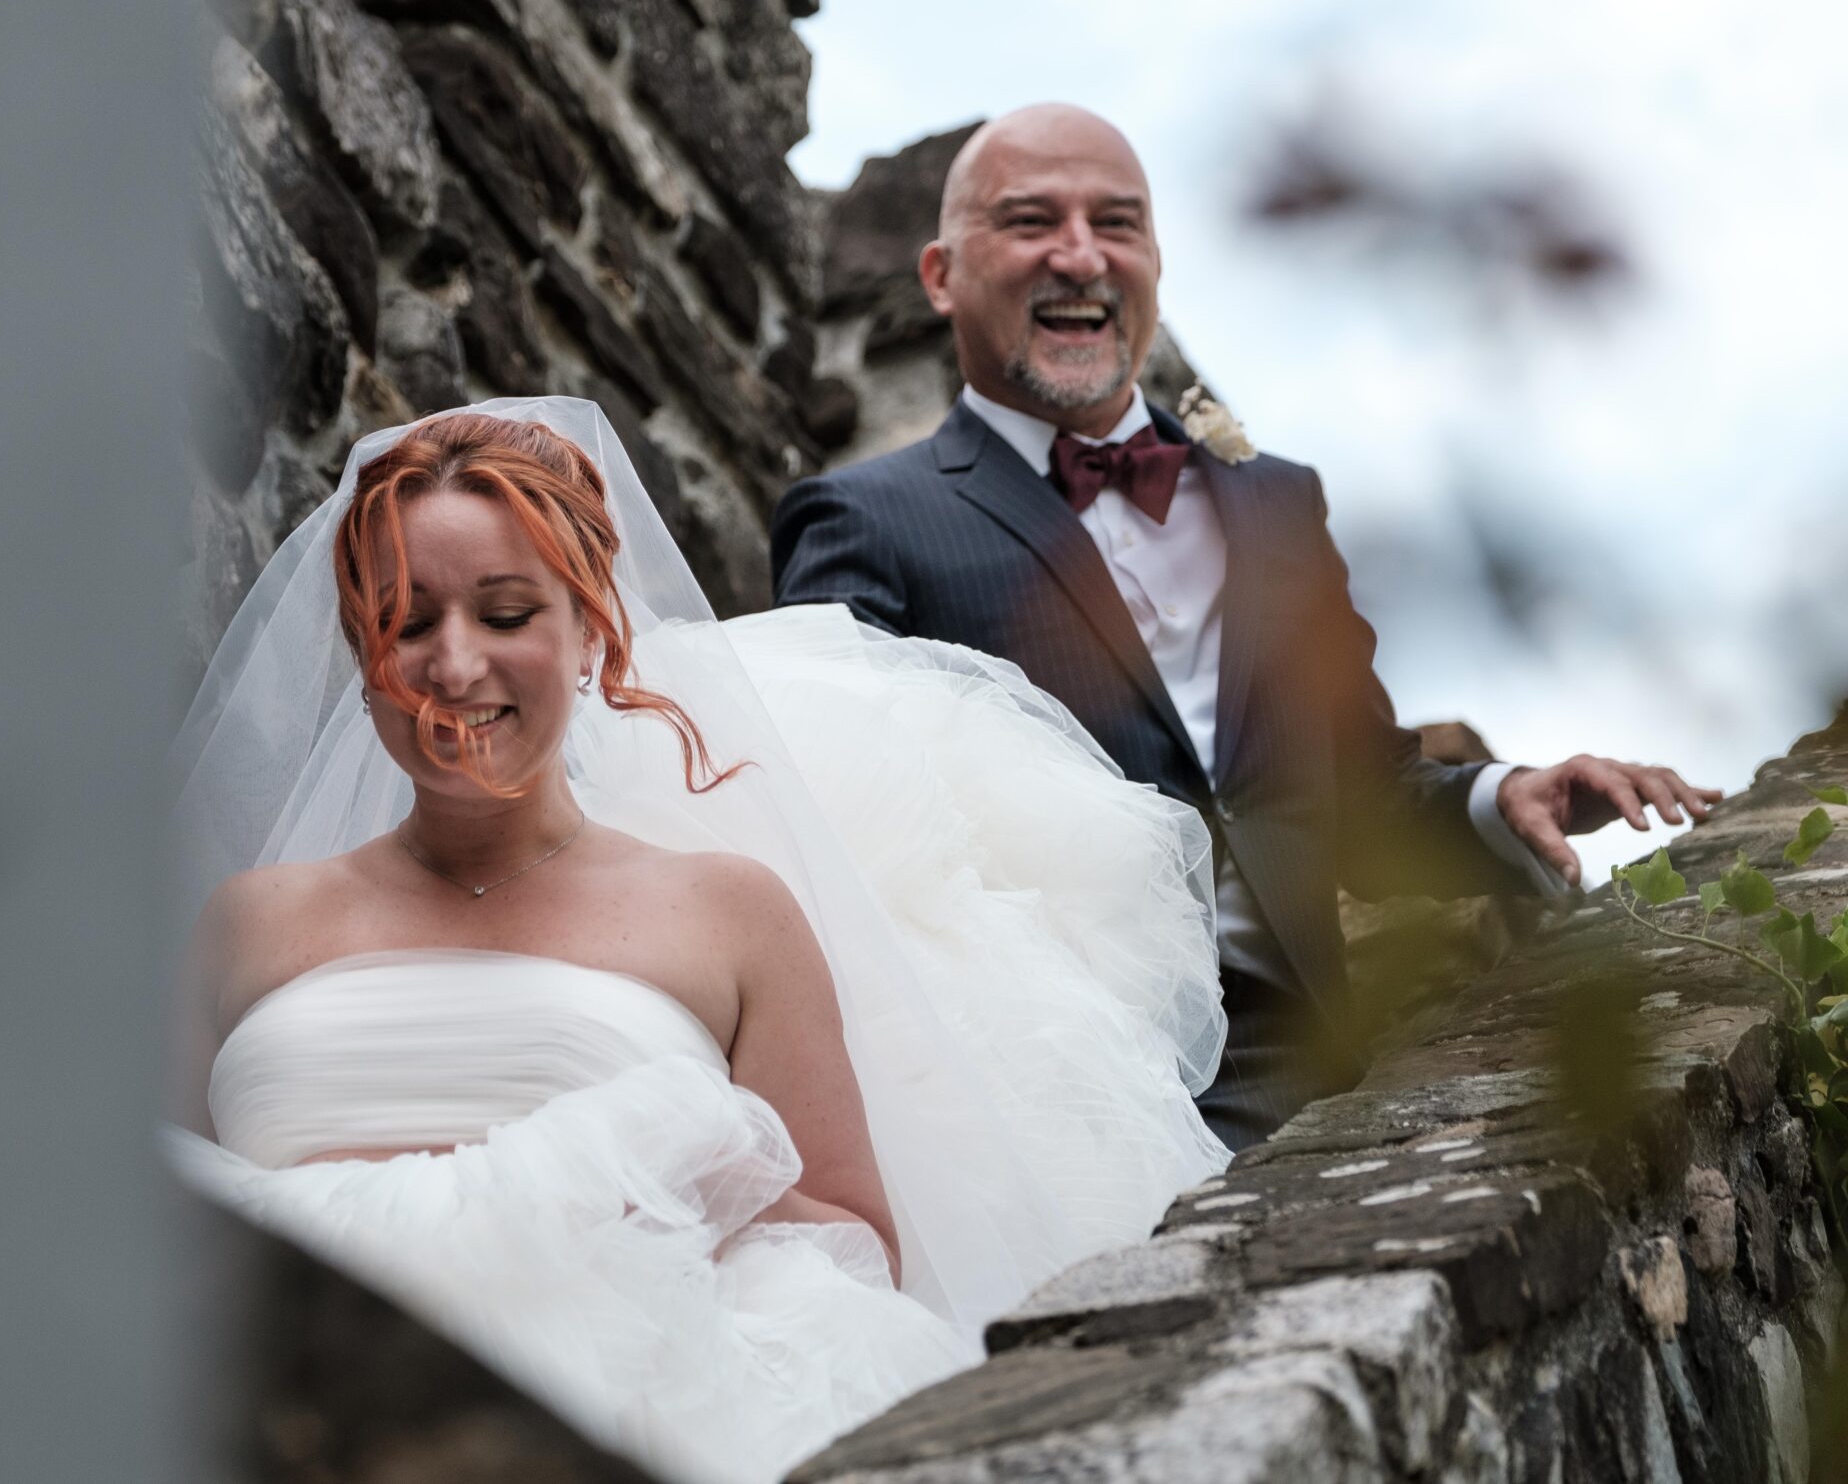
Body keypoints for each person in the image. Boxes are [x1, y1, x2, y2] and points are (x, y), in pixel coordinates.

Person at [166, 401, 1229, 1484]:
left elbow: (858, 1247)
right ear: (361, 651)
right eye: (405, 621)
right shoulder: (248, 924)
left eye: (504, 613)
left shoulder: (728, 912)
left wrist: (686, 1175)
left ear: (588, 632)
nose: (452, 665)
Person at [771, 103, 1722, 1149]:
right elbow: (837, 839)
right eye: (1031, 220)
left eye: (1118, 223)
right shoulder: (860, 517)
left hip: (1299, 1067)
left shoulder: (1277, 505)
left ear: (1155, 264)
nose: (1081, 255)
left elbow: (1363, 798)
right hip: (1044, 1083)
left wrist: (1505, 798)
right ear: (941, 275)